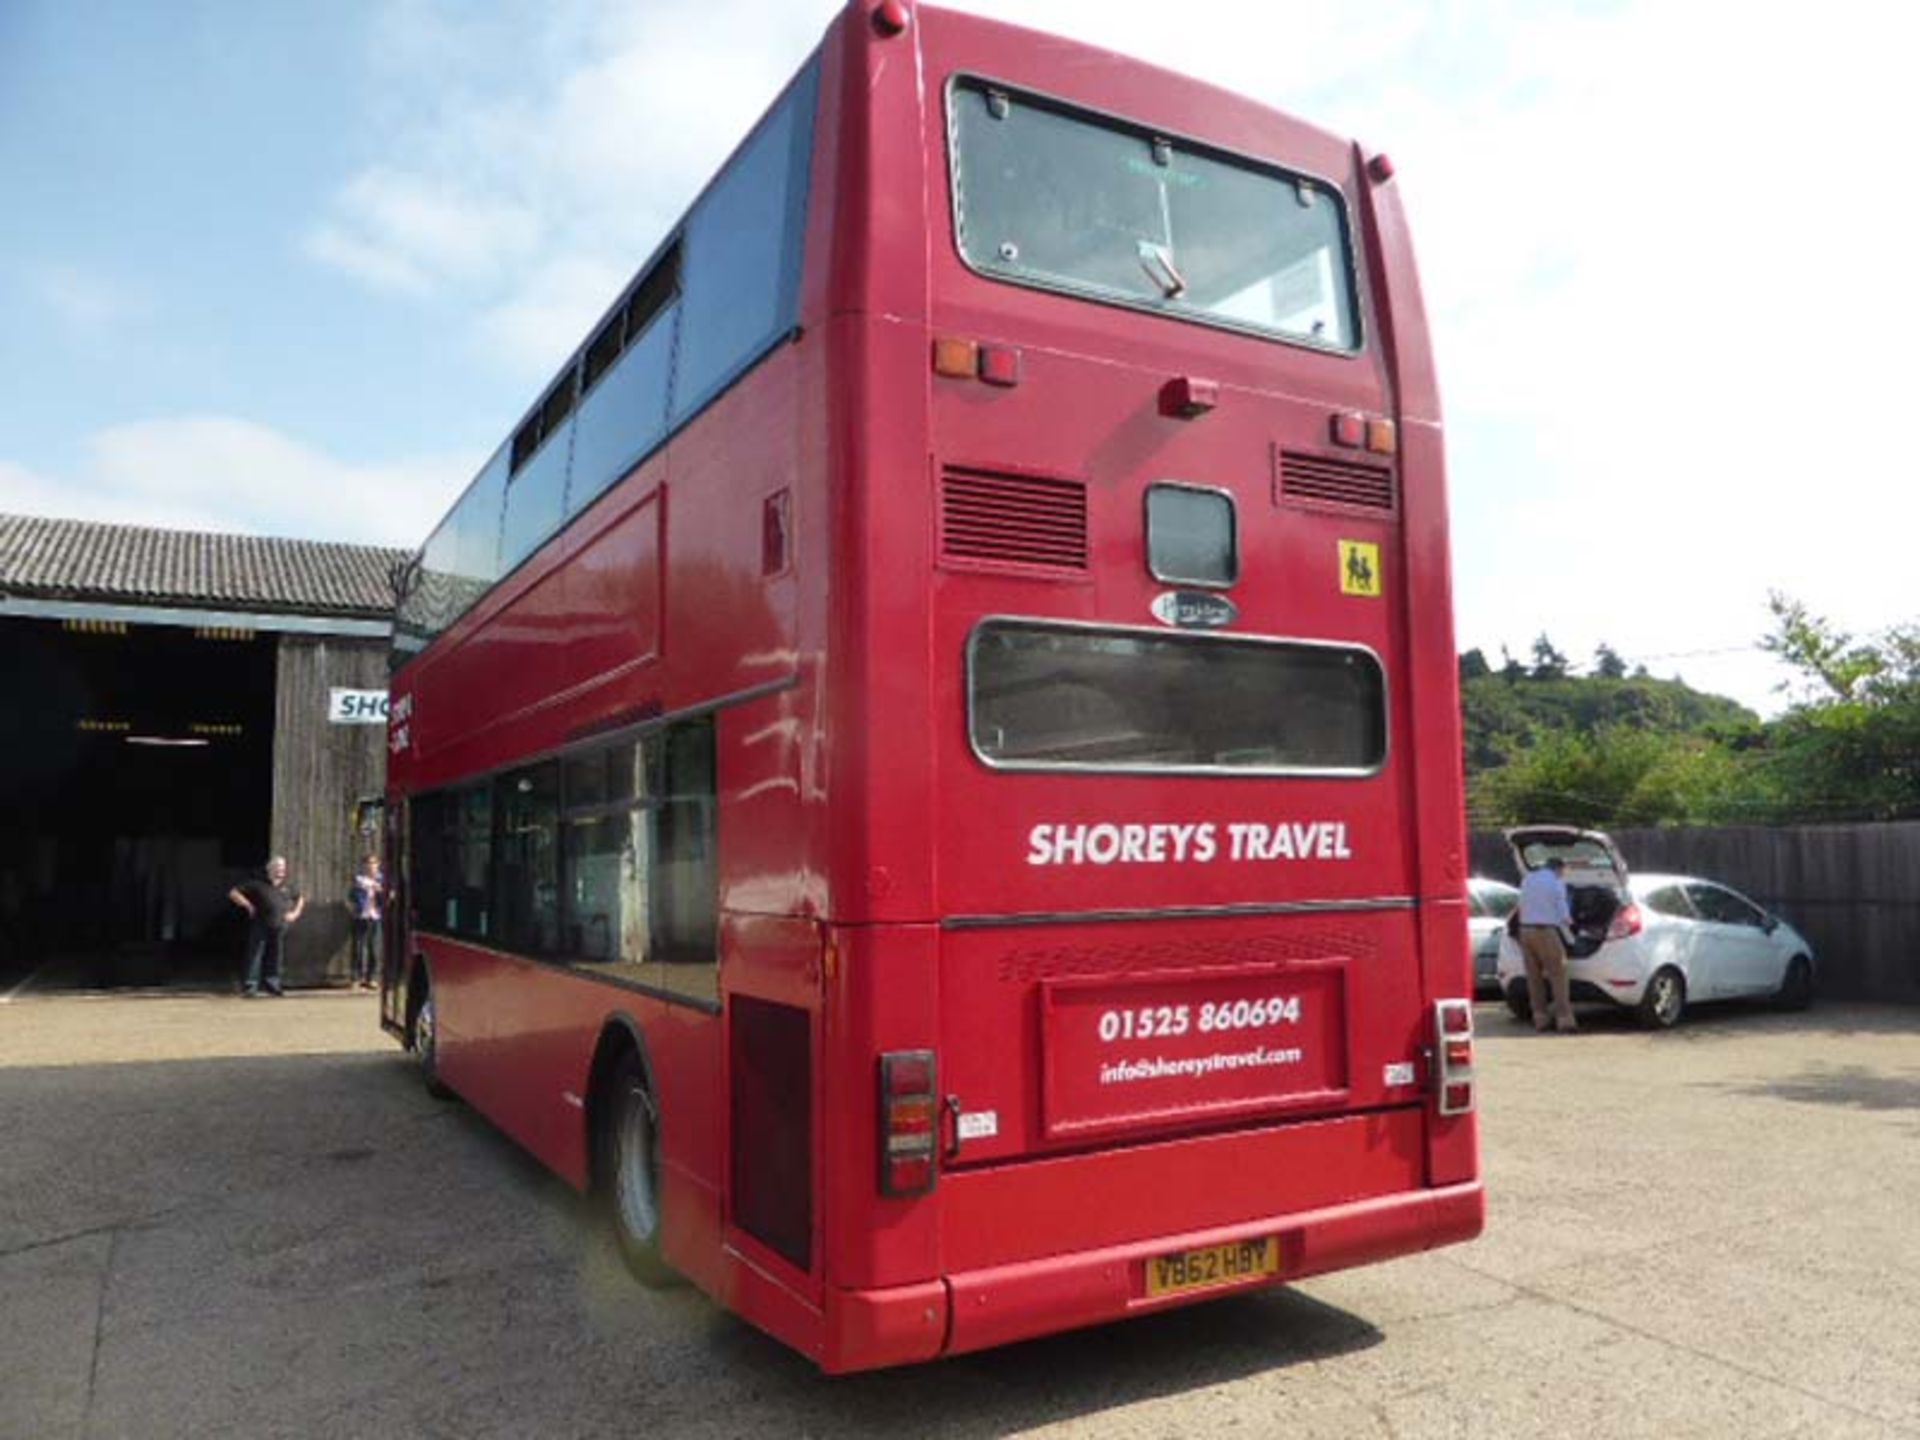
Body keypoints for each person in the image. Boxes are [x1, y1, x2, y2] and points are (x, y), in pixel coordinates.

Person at [1516, 856, 1578, 1033]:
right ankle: (1565, 1019)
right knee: (1558, 974)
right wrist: (1573, 927)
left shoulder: (1528, 879)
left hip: (1525, 931)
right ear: (1558, 869)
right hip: (1545, 931)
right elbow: (1562, 910)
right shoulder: (1556, 882)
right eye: (1563, 872)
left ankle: (1540, 1018)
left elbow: (1521, 904)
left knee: (1534, 977)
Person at [228, 856, 305, 997]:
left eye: (282, 867)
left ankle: (273, 985)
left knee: (275, 956)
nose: (281, 870)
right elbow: (233, 893)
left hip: (279, 926)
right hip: (260, 924)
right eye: (277, 867)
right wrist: (248, 905)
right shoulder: (257, 884)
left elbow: (300, 898)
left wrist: (295, 913)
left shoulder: (288, 886)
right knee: (255, 955)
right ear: (269, 869)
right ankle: (250, 986)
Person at [349, 854, 386, 991]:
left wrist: (380, 891)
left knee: (374, 949)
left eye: (373, 863)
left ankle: (372, 978)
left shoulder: (382, 880)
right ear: (364, 866)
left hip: (375, 916)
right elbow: (351, 896)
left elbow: (389, 897)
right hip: (361, 916)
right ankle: (356, 978)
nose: (371, 866)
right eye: (368, 863)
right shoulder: (359, 879)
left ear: (378, 864)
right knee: (358, 948)